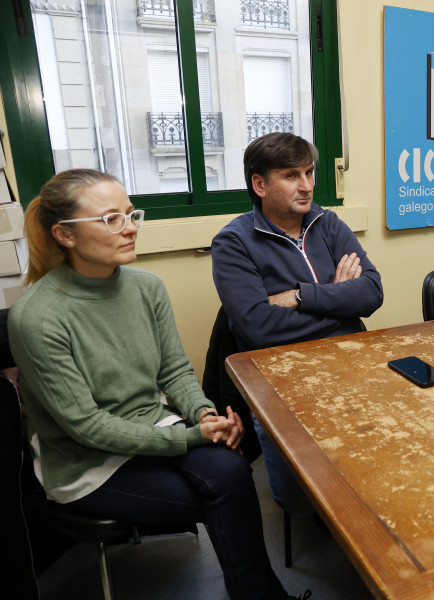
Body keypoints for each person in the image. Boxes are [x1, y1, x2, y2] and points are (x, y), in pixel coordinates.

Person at [8, 169, 307, 600]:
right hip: (87, 462)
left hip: (155, 427)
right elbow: (87, 427)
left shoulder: (147, 287)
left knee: (231, 467)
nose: (130, 229)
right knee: (228, 491)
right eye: (112, 220)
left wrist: (205, 414)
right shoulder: (37, 317)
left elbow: (174, 373)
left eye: (131, 215)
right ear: (64, 235)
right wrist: (191, 436)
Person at [211, 132, 383, 516]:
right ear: (259, 184)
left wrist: (302, 296)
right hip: (279, 374)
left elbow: (371, 293)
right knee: (302, 503)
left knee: (385, 456)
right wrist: (338, 299)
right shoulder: (233, 243)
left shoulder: (327, 222)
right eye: (291, 175)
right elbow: (257, 327)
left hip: (350, 359)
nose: (306, 186)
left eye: (309, 172)